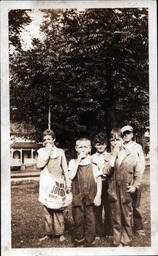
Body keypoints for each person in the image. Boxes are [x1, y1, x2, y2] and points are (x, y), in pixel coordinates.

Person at [105, 128, 142, 247]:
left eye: (118, 139)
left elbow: (138, 172)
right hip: (113, 190)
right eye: (112, 140)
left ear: (122, 140)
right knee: (116, 217)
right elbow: (105, 172)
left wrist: (135, 186)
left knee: (127, 216)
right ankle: (117, 242)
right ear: (110, 142)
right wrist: (113, 156)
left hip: (126, 190)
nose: (115, 142)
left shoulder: (131, 154)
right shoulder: (108, 156)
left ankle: (126, 241)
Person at [37, 129, 71, 242]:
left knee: (57, 208)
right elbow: (39, 165)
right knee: (46, 209)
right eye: (45, 139)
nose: (47, 141)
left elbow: (65, 169)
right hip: (46, 183)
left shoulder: (60, 152)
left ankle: (60, 233)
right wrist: (47, 152)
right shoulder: (41, 152)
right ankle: (48, 233)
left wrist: (68, 183)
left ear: (54, 140)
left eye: (49, 139)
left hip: (57, 183)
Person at [68, 138, 102, 247]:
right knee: (78, 219)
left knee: (91, 220)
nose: (83, 149)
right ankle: (79, 241)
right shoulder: (73, 162)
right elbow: (71, 176)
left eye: (85, 147)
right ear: (76, 148)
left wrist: (98, 196)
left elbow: (98, 180)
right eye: (80, 147)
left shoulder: (94, 163)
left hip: (91, 195)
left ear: (90, 149)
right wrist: (78, 161)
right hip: (77, 195)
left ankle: (90, 242)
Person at [121, 125, 145, 236]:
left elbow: (141, 163)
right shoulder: (119, 146)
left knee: (136, 204)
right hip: (124, 178)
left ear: (132, 134)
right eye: (124, 133)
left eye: (128, 133)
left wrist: (137, 181)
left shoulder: (137, 147)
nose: (126, 135)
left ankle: (139, 227)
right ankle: (126, 227)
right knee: (125, 204)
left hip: (135, 176)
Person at [91, 132, 113, 239]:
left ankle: (109, 231)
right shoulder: (91, 157)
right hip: (96, 184)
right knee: (97, 208)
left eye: (103, 144)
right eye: (98, 144)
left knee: (109, 208)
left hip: (108, 183)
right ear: (94, 145)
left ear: (106, 145)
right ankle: (98, 232)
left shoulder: (110, 156)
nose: (100, 146)